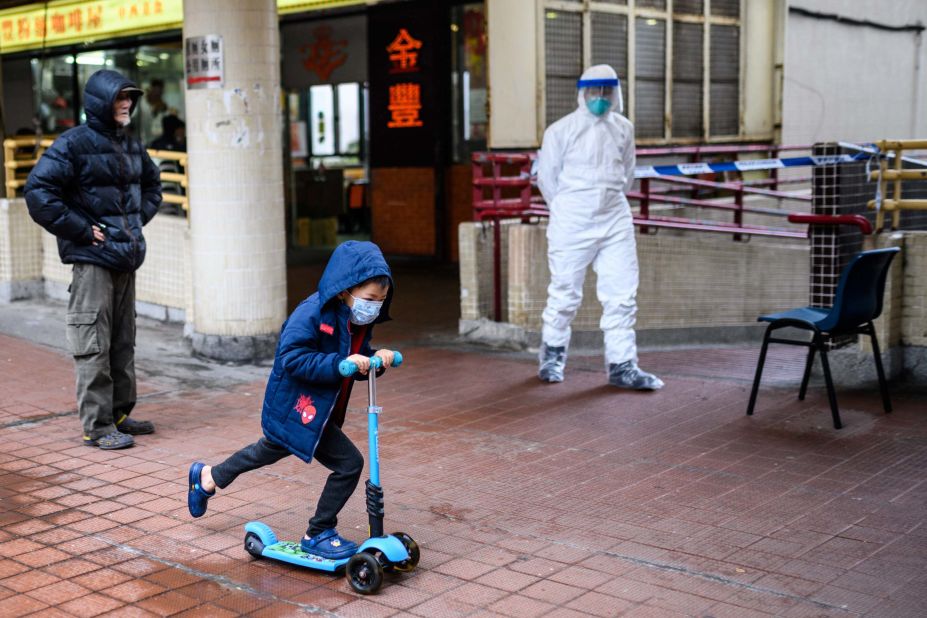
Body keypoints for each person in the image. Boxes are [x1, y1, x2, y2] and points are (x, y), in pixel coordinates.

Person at [186, 241, 397, 560]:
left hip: (318, 412)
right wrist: (340, 364)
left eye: (380, 301)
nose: (374, 308)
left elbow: (354, 358)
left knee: (266, 451)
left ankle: (208, 477)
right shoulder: (312, 312)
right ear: (345, 290)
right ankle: (318, 532)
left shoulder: (358, 320)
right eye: (369, 299)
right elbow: (292, 358)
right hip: (296, 407)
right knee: (348, 464)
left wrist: (373, 358)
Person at [24, 70, 163, 449]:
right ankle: (97, 426)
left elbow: (153, 186)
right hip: (92, 261)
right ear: (101, 102)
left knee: (122, 341)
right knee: (93, 344)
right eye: (120, 98)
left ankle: (118, 414)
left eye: (130, 98)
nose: (127, 104)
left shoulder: (131, 144)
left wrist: (133, 224)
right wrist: (84, 230)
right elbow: (38, 193)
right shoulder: (73, 144)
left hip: (125, 257)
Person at [535, 64, 663, 390]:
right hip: (571, 221)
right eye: (595, 92)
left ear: (616, 94)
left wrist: (602, 202)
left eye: (608, 92)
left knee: (622, 295)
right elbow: (547, 179)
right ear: (583, 93)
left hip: (615, 217)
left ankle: (623, 365)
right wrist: (568, 209)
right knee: (564, 292)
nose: (601, 98)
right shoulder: (560, 131)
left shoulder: (623, 128)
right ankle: (552, 356)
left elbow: (628, 174)